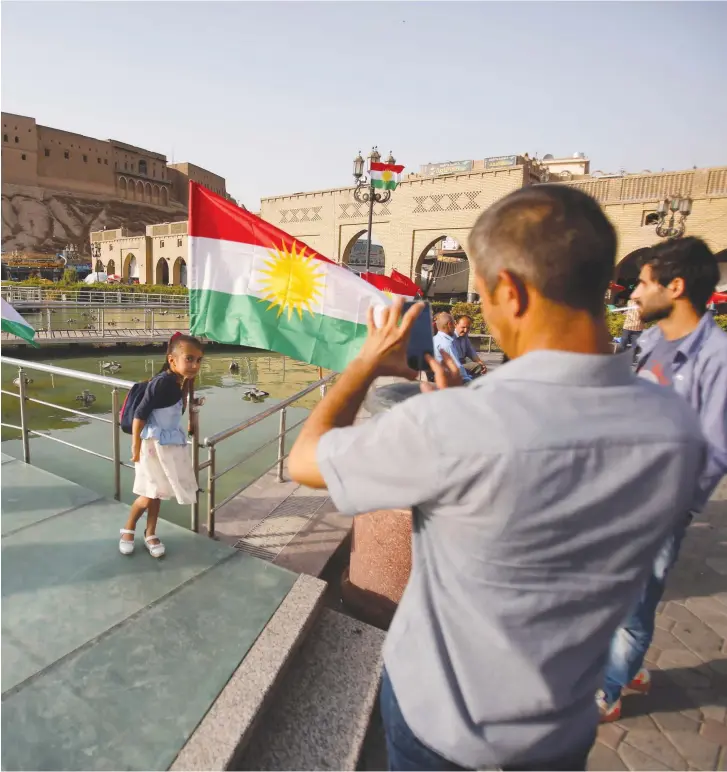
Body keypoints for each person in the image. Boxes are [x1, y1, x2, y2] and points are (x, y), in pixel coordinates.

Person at [287, 185, 705, 771]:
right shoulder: (676, 427)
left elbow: (305, 459)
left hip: (444, 728)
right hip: (560, 730)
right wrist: (465, 405)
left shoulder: (456, 428)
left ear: (510, 291)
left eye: (481, 295)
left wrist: (363, 363)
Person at [599, 237, 727, 721]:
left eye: (643, 283)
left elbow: (716, 449)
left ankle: (608, 687)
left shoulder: (717, 357)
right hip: (621, 494)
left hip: (658, 507)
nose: (633, 292)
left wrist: (674, 506)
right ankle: (625, 668)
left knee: (634, 604)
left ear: (675, 287)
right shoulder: (651, 341)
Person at [119, 333, 204, 558]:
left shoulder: (181, 381)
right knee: (148, 494)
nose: (195, 365)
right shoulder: (163, 382)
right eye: (189, 359)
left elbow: (178, 410)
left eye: (198, 360)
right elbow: (140, 415)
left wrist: (189, 415)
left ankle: (150, 532)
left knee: (159, 492)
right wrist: (135, 447)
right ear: (172, 360)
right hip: (151, 446)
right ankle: (128, 529)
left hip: (168, 446)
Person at [433, 312, 471, 383]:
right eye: (454, 324)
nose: (455, 327)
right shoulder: (447, 344)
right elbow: (458, 368)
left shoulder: (434, 339)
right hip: (449, 380)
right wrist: (469, 379)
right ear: (449, 324)